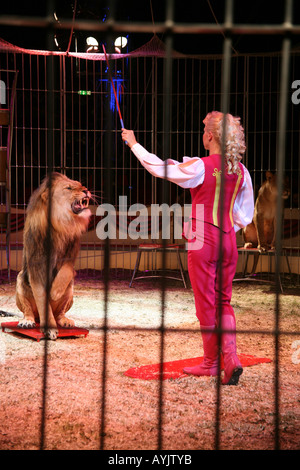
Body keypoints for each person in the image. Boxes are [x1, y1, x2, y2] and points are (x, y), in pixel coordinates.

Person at [121, 111, 254, 385]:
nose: (202, 132)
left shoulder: (202, 166)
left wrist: (134, 143)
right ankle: (231, 357)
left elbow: (159, 169)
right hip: (229, 240)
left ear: (210, 136)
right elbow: (244, 215)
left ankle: (213, 362)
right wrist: (226, 227)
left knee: (206, 302)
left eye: (204, 128)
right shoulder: (241, 171)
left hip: (202, 239)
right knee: (223, 301)